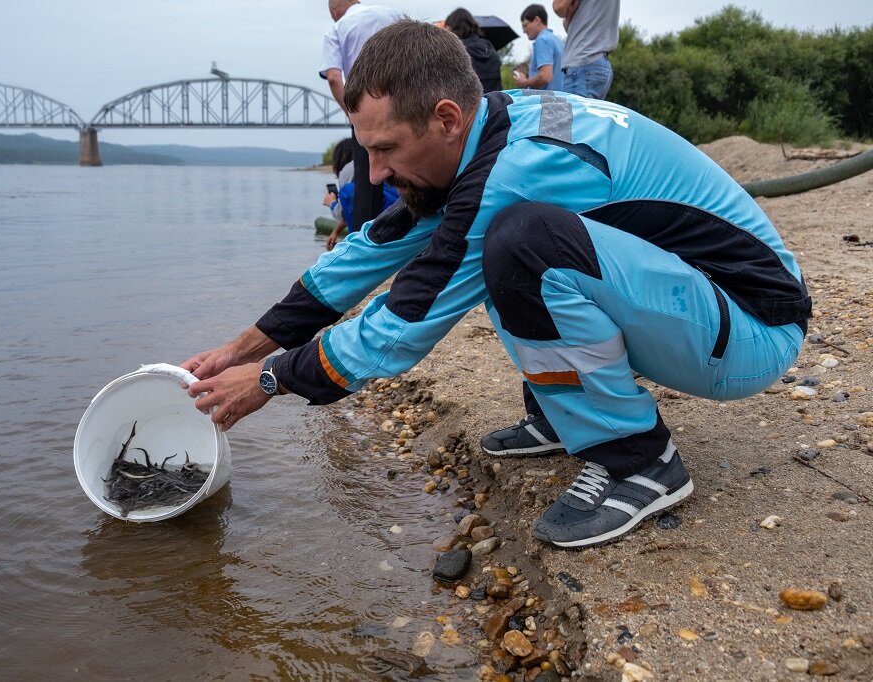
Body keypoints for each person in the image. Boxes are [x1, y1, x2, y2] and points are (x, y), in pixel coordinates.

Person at [182, 21, 810, 549]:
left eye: (386, 149)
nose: (375, 171)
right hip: (692, 304)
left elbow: (402, 326)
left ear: (446, 117)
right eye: (364, 150)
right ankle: (564, 414)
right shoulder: (491, 130)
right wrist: (241, 350)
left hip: (750, 328)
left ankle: (638, 459)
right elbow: (367, 252)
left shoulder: (511, 170)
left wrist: (272, 378)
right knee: (504, 247)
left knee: (519, 242)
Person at [320, 0, 403, 233]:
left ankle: (366, 247)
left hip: (367, 110)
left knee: (368, 185)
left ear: (333, 11)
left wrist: (352, 113)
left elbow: (335, 78)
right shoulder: (392, 14)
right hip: (405, 104)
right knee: (406, 177)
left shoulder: (338, 28)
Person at [552, 0, 619, 99]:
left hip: (582, 62)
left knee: (574, 114)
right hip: (600, 63)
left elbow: (559, 6)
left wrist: (569, 10)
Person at [443, 8, 503, 93]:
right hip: (496, 101)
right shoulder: (489, 45)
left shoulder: (458, 50)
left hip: (472, 103)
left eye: (447, 28)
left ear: (453, 28)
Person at [514, 4, 564, 91]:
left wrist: (525, 82)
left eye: (525, 25)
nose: (524, 31)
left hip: (549, 101)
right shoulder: (557, 40)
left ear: (537, 20)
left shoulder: (542, 40)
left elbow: (545, 77)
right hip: (562, 97)